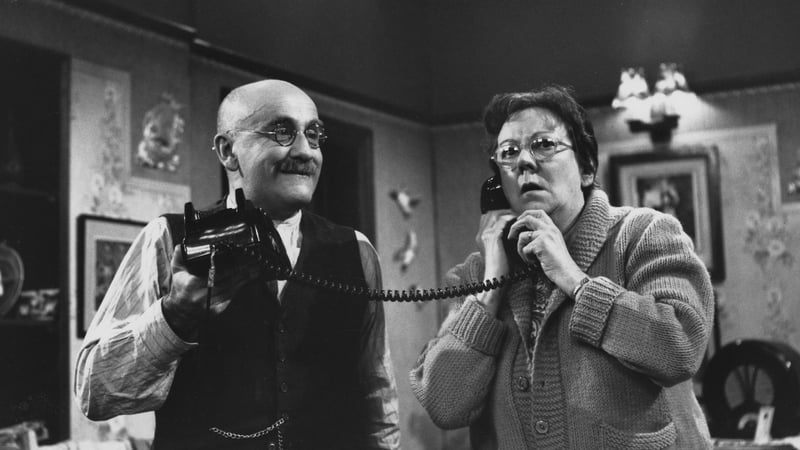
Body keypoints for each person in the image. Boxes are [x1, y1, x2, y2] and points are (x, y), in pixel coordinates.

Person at [75, 79, 400, 450]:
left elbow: (378, 396)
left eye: (313, 134)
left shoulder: (356, 251)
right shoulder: (167, 240)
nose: (305, 151)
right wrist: (173, 318)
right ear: (228, 151)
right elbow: (94, 392)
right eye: (282, 131)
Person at [410, 85, 715, 449]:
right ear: (497, 184)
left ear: (586, 168)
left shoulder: (644, 235)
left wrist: (575, 281)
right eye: (508, 152)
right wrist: (491, 288)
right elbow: (446, 407)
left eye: (543, 144)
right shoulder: (477, 275)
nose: (524, 161)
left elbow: (679, 348)